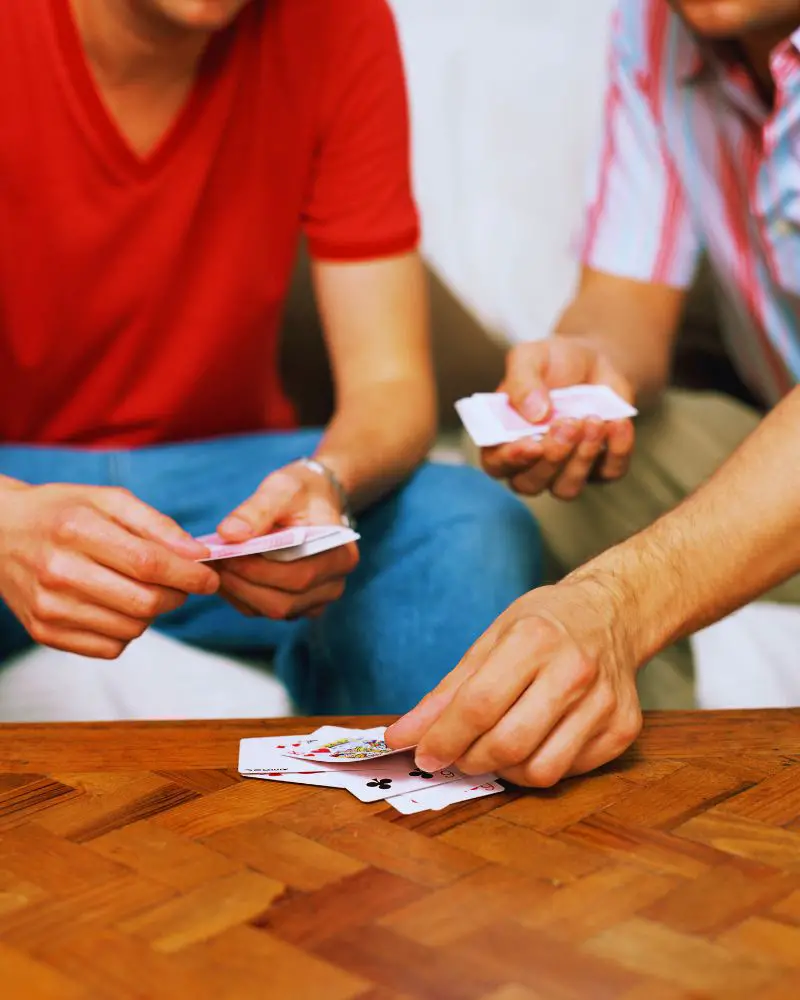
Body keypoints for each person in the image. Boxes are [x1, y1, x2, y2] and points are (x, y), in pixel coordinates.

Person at [0, 0, 541, 716]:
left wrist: (329, 480)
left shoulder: (337, 23)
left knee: (463, 525)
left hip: (229, 500)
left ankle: (419, 815)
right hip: (11, 478)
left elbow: (389, 382)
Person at [386, 0, 800, 780]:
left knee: (601, 592)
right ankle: (642, 818)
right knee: (527, 490)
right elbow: (629, 299)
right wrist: (588, 361)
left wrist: (621, 603)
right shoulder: (657, 24)